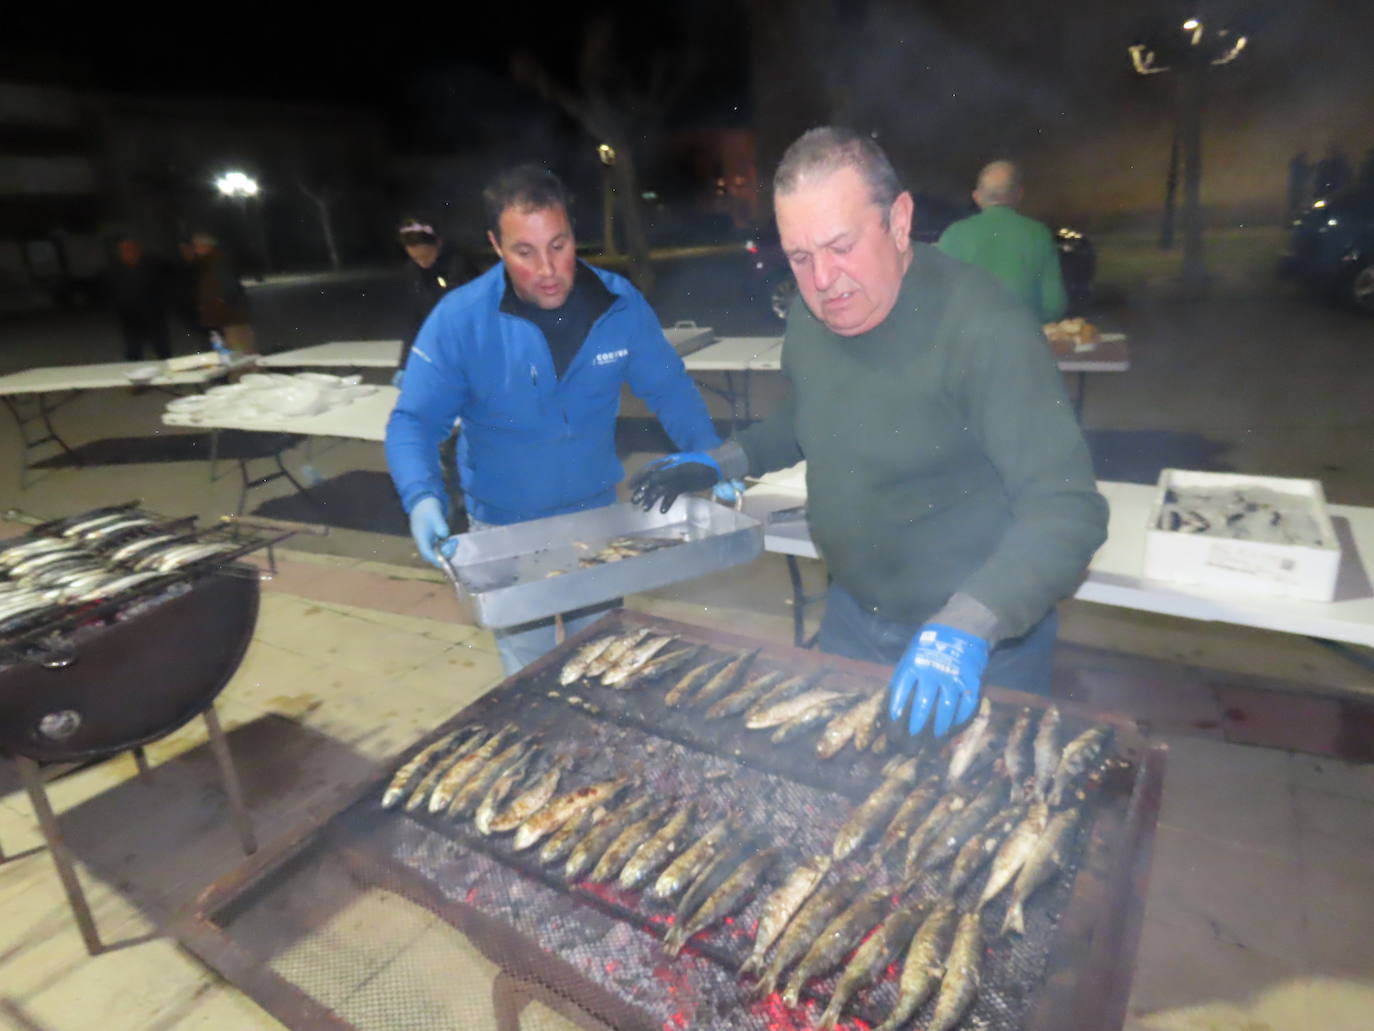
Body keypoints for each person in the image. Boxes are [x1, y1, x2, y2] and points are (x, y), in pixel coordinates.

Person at [630, 128, 1108, 739]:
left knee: (963, 820)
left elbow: (1068, 511)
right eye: (800, 257)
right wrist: (722, 460)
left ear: (899, 220)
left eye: (841, 246)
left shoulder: (985, 329)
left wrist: (966, 626)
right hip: (853, 621)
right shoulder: (810, 317)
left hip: (980, 644)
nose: (824, 280)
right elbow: (813, 416)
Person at [385, 164, 729, 675]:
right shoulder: (461, 320)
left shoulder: (618, 304)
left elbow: (670, 387)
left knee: (606, 659)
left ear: (573, 234)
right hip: (504, 527)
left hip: (595, 518)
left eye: (559, 245)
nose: (547, 268)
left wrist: (710, 454)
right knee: (532, 673)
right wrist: (422, 497)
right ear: (497, 247)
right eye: (525, 252)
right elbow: (413, 422)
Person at [935, 159, 1067, 323]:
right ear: (1019, 194)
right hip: (1023, 340)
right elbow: (1054, 305)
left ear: (976, 197)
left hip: (968, 343)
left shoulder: (954, 234)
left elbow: (937, 299)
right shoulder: (1039, 234)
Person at [394, 215, 476, 388]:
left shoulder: (459, 267)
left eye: (426, 256)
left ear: (438, 244)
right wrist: (405, 364)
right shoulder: (412, 272)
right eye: (416, 258)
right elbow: (414, 321)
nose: (422, 263)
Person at [107, 236, 171, 362]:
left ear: (137, 249)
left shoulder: (153, 265)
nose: (127, 252)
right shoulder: (116, 269)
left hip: (154, 317)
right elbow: (112, 292)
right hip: (130, 320)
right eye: (124, 249)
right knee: (133, 353)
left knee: (162, 351)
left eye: (130, 248)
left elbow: (165, 286)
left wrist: (162, 306)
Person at [191, 232, 256, 355]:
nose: (196, 249)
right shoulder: (208, 261)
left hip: (230, 315)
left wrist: (220, 302)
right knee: (234, 347)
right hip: (224, 315)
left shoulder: (218, 261)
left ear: (207, 246)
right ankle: (241, 371)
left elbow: (230, 287)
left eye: (198, 246)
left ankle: (247, 372)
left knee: (240, 348)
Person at [1287, 150, 1311, 215]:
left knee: (1295, 206)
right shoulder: (1299, 167)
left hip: (1296, 190)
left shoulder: (1295, 166)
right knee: (1298, 204)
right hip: (1298, 190)